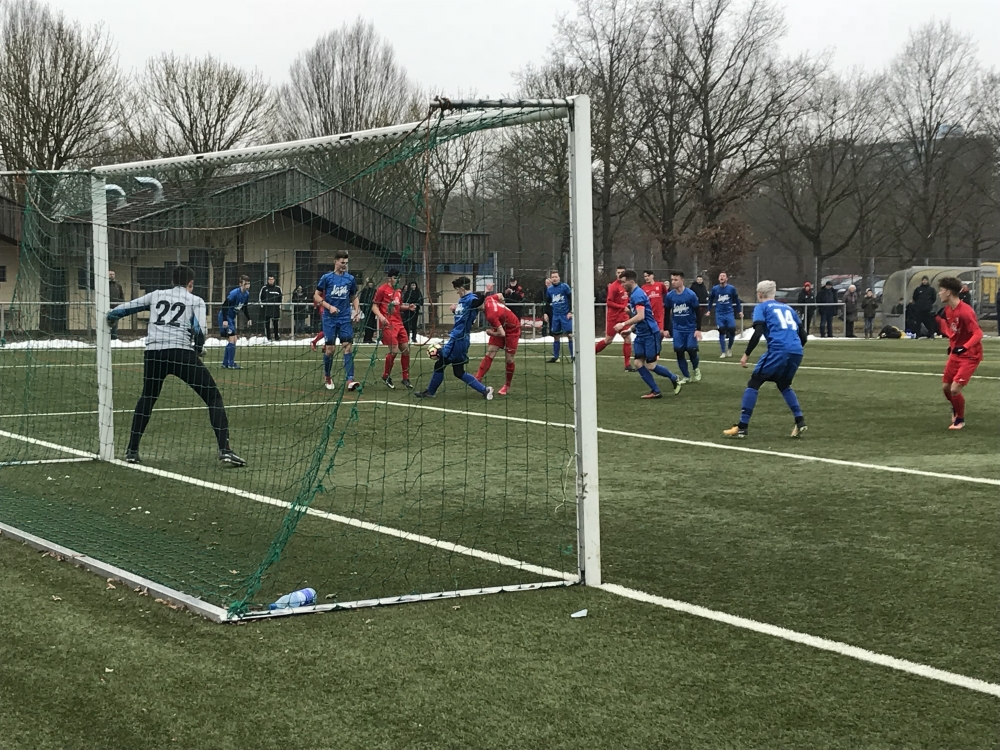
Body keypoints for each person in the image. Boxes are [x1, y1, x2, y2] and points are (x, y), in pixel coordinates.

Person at [106, 265, 245, 466]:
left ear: (172, 281)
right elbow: (200, 330)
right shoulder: (195, 300)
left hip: (154, 353)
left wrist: (111, 317)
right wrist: (198, 348)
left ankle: (132, 450)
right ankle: (225, 450)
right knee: (213, 396)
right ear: (190, 283)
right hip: (180, 353)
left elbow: (126, 308)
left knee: (148, 397)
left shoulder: (156, 295)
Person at [723, 280, 807, 439]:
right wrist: (794, 348)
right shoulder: (788, 308)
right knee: (783, 384)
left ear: (759, 294)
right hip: (796, 351)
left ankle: (742, 426)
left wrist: (746, 354)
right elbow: (803, 335)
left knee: (754, 382)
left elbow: (758, 332)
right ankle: (800, 420)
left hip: (778, 349)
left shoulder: (762, 307)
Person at [414, 277, 494, 400]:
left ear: (462, 288)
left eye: (457, 289)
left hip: (458, 339)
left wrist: (486, 292)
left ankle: (430, 392)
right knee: (458, 372)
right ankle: (485, 390)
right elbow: (463, 316)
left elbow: (477, 303)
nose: (456, 292)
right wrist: (454, 310)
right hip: (459, 338)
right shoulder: (462, 300)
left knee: (440, 363)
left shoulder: (471, 299)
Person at [616, 270, 681, 399]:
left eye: (623, 282)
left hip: (650, 334)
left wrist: (623, 324)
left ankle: (674, 377)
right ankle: (656, 391)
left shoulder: (638, 295)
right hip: (641, 334)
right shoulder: (634, 294)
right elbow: (642, 318)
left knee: (651, 365)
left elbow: (641, 316)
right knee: (638, 363)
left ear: (631, 281)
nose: (622, 285)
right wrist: (630, 330)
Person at [935, 276, 983, 430]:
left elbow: (978, 333)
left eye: (941, 290)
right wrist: (939, 321)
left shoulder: (965, 311)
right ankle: (956, 407)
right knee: (946, 387)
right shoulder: (948, 310)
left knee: (955, 389)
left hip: (971, 355)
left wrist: (964, 347)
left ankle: (960, 420)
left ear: (948, 292)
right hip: (956, 354)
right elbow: (954, 332)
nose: (939, 293)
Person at [314, 250, 362, 391]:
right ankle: (327, 376)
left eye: (346, 263)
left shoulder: (350, 279)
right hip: (329, 318)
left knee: (347, 346)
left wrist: (357, 311)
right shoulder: (326, 278)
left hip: (344, 317)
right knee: (330, 350)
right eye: (342, 262)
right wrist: (329, 307)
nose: (344, 265)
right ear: (335, 262)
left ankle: (350, 379)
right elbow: (316, 296)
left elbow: (353, 296)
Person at [475, 285, 521, 395]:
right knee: (490, 353)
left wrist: (490, 333)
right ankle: (477, 379)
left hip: (512, 329)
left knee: (509, 359)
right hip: (501, 326)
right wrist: (503, 307)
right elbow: (500, 295)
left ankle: (507, 385)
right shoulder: (488, 298)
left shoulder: (491, 314)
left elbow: (502, 334)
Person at [374, 270, 415, 390]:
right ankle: (386, 375)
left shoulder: (398, 291)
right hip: (388, 324)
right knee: (394, 350)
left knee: (406, 350)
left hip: (399, 323)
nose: (397, 280)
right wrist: (381, 317)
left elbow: (398, 306)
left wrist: (408, 307)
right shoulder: (382, 289)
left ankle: (405, 378)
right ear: (390, 278)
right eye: (395, 278)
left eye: (399, 278)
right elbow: (374, 306)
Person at [664, 271, 702, 383]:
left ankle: (696, 368)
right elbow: (667, 313)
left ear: (682, 280)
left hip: (690, 328)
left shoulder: (691, 295)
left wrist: (698, 329)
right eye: (672, 280)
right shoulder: (670, 296)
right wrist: (665, 328)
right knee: (679, 351)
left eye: (676, 280)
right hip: (677, 328)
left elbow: (698, 312)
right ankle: (686, 376)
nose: (673, 282)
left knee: (691, 349)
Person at [595, 266, 635, 371]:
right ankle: (591, 353)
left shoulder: (626, 286)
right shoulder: (613, 286)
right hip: (613, 318)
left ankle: (627, 365)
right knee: (608, 340)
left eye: (622, 272)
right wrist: (622, 307)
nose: (620, 274)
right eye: (618, 272)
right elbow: (609, 302)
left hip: (624, 318)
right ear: (616, 274)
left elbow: (625, 299)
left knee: (628, 338)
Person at [218, 275, 252, 369]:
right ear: (240, 284)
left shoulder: (246, 294)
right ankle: (231, 363)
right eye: (245, 284)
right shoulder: (234, 293)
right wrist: (225, 320)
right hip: (225, 316)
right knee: (233, 338)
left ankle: (225, 363)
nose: (247, 286)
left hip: (231, 318)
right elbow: (224, 306)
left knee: (233, 339)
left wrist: (249, 318)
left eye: (249, 284)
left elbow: (244, 308)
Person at [709, 272, 742, 358]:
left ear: (726, 279)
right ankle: (723, 351)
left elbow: (736, 300)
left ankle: (729, 348)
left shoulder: (731, 288)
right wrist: (708, 310)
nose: (722, 277)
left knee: (732, 329)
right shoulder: (715, 289)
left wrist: (739, 311)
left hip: (729, 313)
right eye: (720, 276)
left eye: (723, 276)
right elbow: (711, 299)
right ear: (718, 278)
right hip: (719, 313)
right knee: (721, 330)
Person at [544, 270, 574, 363]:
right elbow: (547, 302)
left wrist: (571, 311)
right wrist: (545, 313)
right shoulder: (549, 289)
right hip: (556, 315)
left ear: (559, 278)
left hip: (565, 314)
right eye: (553, 277)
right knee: (556, 336)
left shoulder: (565, 287)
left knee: (570, 335)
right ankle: (556, 357)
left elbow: (571, 298)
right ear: (551, 279)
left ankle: (573, 356)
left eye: (556, 277)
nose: (554, 278)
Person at [641, 271, 668, 340]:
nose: (647, 278)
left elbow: (666, 294)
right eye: (645, 276)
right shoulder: (643, 288)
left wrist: (665, 303)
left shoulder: (660, 285)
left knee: (661, 332)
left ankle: (657, 345)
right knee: (652, 333)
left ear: (652, 276)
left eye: (648, 276)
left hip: (659, 313)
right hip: (650, 314)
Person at [258, 274, 283, 342]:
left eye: (272, 279)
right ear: (268, 280)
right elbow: (260, 298)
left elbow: (281, 298)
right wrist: (262, 306)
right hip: (266, 310)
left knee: (275, 324)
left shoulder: (278, 288)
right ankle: (268, 337)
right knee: (267, 324)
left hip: (275, 310)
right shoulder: (264, 288)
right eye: (269, 279)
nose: (271, 281)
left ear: (274, 280)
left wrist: (279, 306)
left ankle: (276, 336)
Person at [108, 270, 125, 340]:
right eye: (110, 274)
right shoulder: (104, 285)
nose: (111, 275)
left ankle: (114, 339)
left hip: (116, 307)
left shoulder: (118, 286)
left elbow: (121, 296)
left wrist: (121, 304)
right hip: (106, 307)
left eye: (113, 274)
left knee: (115, 324)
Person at [359, 279, 377, 344]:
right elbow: (362, 300)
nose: (370, 284)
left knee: (372, 324)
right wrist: (364, 309)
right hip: (367, 310)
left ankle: (370, 338)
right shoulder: (364, 291)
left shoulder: (374, 291)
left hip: (372, 311)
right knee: (368, 324)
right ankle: (366, 338)